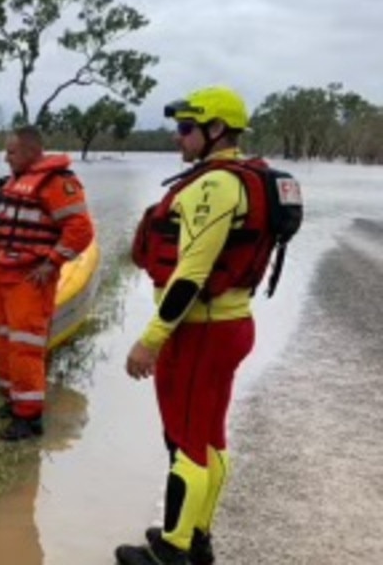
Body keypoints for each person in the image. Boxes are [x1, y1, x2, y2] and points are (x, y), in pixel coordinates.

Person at [117, 85, 289, 565]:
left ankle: (172, 551)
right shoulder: (238, 179)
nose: (179, 137)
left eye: (187, 128)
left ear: (216, 130)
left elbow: (191, 275)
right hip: (230, 324)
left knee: (186, 442)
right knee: (210, 436)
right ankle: (196, 535)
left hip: (200, 331)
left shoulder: (215, 186)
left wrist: (149, 342)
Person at [0, 125, 94, 442]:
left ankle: (29, 420)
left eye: (11, 152)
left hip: (30, 278)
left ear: (32, 152)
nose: (6, 158)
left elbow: (80, 230)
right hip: (5, 273)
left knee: (25, 346)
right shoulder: (14, 182)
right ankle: (13, 402)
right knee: (4, 341)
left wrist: (52, 263)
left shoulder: (57, 183)